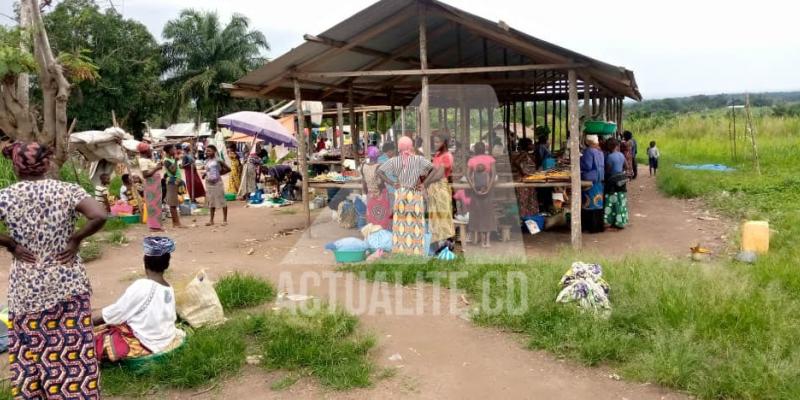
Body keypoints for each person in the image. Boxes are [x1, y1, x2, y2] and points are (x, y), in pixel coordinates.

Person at [0, 142, 106, 399]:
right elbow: (99, 215)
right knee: (72, 346)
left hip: (25, 286)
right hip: (67, 281)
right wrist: (75, 239)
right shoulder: (67, 191)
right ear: (46, 164)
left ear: (15, 167)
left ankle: (37, 393)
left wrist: (11, 244)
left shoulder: (5, 196)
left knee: (33, 348)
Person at [93, 237, 185, 362]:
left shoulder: (142, 285)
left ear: (145, 262)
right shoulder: (168, 288)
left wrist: (86, 320)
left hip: (147, 342)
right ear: (167, 265)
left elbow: (116, 313)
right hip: (164, 339)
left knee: (96, 337)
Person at [378, 136, 434, 256]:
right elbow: (433, 169)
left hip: (401, 193)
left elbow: (379, 171)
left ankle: (400, 251)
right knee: (416, 224)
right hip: (415, 194)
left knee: (401, 224)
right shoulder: (419, 159)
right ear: (411, 146)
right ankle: (416, 252)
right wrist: (424, 183)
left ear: (399, 148)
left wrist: (392, 183)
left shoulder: (394, 160)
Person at [467, 142, 498, 248]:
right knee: (488, 214)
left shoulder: (471, 160)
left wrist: (473, 188)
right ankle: (488, 241)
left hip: (476, 191)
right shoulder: (491, 159)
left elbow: (467, 175)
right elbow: (493, 175)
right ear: (484, 149)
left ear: (475, 150)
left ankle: (482, 241)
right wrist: (488, 188)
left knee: (478, 214)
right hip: (488, 190)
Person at [426, 132, 456, 245]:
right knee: (435, 216)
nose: (435, 143)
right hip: (434, 188)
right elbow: (433, 170)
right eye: (434, 141)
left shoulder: (448, 156)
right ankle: (438, 243)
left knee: (443, 215)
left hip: (442, 187)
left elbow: (439, 174)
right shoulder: (438, 155)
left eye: (437, 141)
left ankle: (447, 244)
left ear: (445, 143)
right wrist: (426, 183)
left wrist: (427, 182)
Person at [361, 146, 391, 230]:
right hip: (380, 194)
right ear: (377, 156)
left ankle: (372, 233)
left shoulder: (363, 166)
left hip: (370, 194)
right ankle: (382, 233)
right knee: (382, 215)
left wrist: (365, 193)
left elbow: (363, 182)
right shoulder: (379, 166)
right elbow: (384, 181)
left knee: (372, 215)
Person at [580, 135, 605, 233]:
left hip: (590, 181)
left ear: (587, 142)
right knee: (598, 203)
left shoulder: (588, 152)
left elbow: (587, 165)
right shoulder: (600, 152)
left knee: (589, 203)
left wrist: (579, 160)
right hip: (599, 180)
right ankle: (598, 226)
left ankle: (590, 227)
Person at [511, 138, 540, 219]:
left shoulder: (527, 154)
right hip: (523, 180)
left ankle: (527, 219)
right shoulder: (523, 153)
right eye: (531, 144)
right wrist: (523, 172)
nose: (532, 145)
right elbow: (516, 162)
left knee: (528, 200)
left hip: (528, 180)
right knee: (523, 200)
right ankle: (523, 219)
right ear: (527, 146)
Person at [138, 143, 164, 232]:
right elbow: (145, 174)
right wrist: (157, 168)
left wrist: (157, 166)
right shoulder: (143, 161)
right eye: (150, 150)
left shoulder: (146, 160)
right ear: (146, 151)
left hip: (154, 186)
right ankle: (154, 227)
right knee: (153, 205)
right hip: (151, 186)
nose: (151, 151)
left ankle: (157, 226)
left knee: (156, 205)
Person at [604, 138, 629, 230]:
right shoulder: (621, 155)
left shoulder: (610, 157)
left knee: (611, 201)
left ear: (609, 147)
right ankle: (621, 220)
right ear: (617, 146)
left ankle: (611, 221)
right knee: (621, 199)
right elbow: (626, 166)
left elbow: (608, 170)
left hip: (613, 181)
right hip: (621, 180)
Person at [204, 145, 231, 226]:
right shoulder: (207, 161)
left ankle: (225, 220)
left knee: (222, 200)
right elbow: (208, 170)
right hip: (209, 183)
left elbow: (228, 169)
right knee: (211, 202)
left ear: (214, 151)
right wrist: (205, 174)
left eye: (209, 151)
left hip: (217, 183)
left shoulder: (218, 160)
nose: (207, 152)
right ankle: (211, 220)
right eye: (207, 151)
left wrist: (220, 174)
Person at [162, 144, 185, 228]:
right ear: (168, 151)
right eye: (173, 149)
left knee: (174, 203)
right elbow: (173, 171)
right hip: (172, 182)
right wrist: (175, 161)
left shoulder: (171, 159)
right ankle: (176, 223)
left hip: (175, 182)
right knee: (173, 203)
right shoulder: (166, 160)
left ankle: (176, 223)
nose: (175, 151)